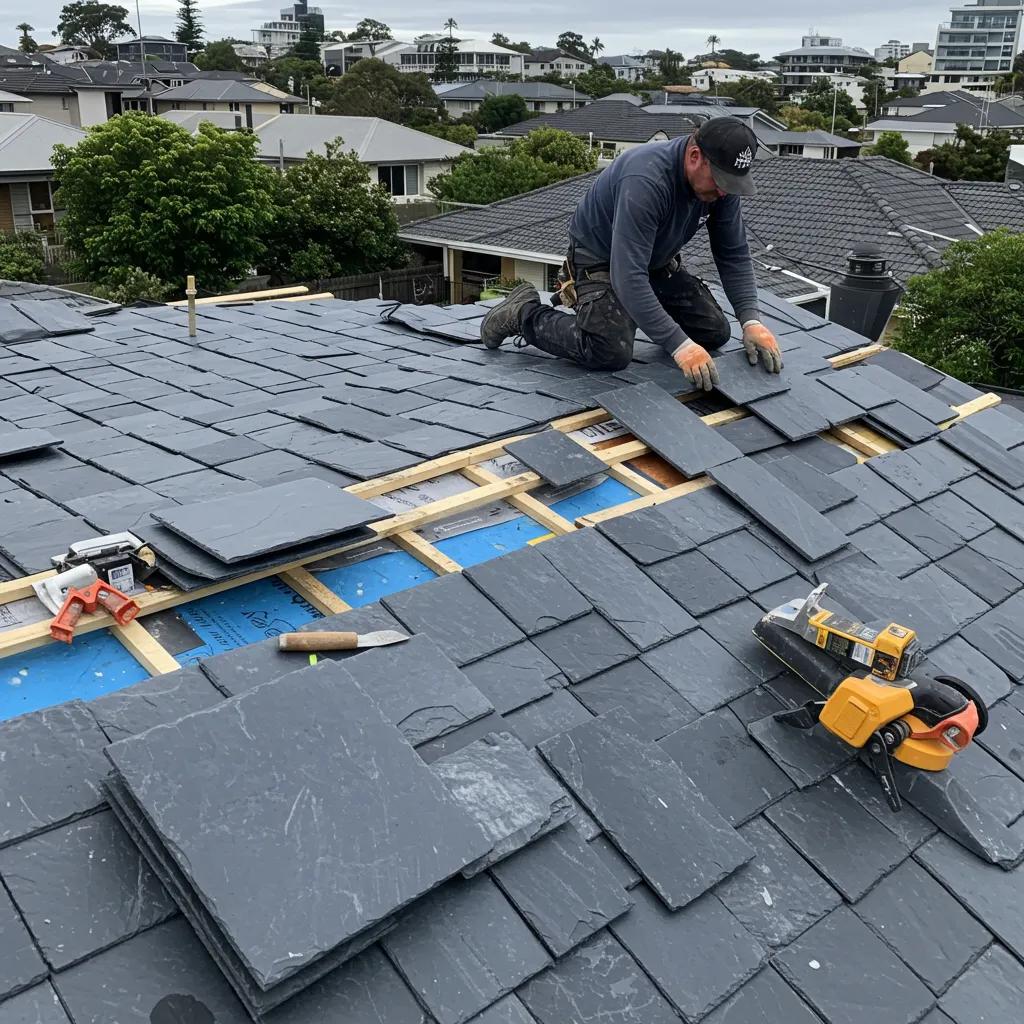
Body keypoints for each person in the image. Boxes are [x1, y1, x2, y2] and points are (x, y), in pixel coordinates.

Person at [479, 116, 783, 390]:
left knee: (715, 333)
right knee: (609, 350)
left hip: (654, 263)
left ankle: (642, 314)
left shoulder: (721, 185)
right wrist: (679, 346)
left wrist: (751, 321)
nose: (723, 192)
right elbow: (627, 276)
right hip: (600, 261)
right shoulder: (646, 180)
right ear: (694, 157)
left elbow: (732, 254)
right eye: (720, 182)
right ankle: (523, 313)